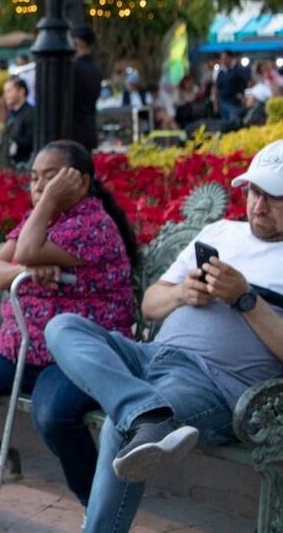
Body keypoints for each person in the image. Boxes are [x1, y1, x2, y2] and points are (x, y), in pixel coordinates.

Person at [45, 138, 283, 532]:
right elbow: (151, 304)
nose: (259, 206)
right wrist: (181, 293)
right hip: (150, 356)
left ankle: (142, 416)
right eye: (254, 191)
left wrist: (244, 299)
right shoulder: (221, 231)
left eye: (275, 198)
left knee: (119, 426)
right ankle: (146, 410)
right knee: (63, 327)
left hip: (217, 385)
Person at [0, 140, 138, 520]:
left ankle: (98, 507)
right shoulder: (39, 219)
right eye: (33, 178)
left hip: (75, 352)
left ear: (81, 181)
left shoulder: (92, 225)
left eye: (51, 177)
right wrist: (26, 272)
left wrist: (39, 219)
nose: (39, 186)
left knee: (53, 415)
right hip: (22, 344)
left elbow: (25, 251)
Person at [71, 26, 103, 152]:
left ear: (77, 42)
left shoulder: (74, 69)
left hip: (73, 133)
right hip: (89, 129)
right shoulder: (96, 68)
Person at [3, 76, 35, 165]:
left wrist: (12, 141)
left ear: (21, 92)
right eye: (5, 92)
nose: (6, 96)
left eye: (9, 91)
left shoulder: (31, 113)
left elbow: (31, 141)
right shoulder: (11, 113)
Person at [214, 51, 250, 123]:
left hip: (234, 102)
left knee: (233, 122)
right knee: (225, 123)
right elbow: (216, 88)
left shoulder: (237, 70)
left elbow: (246, 81)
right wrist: (215, 103)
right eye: (222, 58)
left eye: (225, 58)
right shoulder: (220, 73)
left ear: (230, 58)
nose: (224, 60)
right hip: (223, 101)